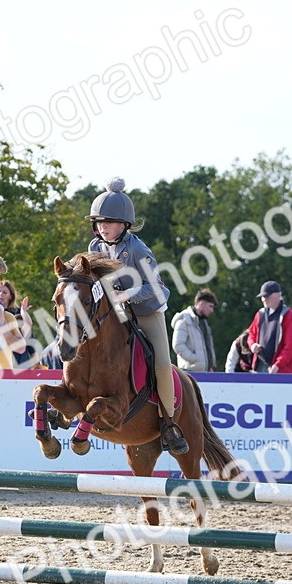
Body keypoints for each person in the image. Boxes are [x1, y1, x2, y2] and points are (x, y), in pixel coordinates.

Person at [86, 177, 187, 454]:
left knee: (162, 364)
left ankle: (169, 424)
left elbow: (155, 287)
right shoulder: (96, 248)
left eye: (108, 221)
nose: (102, 226)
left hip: (147, 310)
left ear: (124, 224)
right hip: (116, 313)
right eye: (99, 222)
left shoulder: (140, 250)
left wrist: (125, 296)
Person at [247, 280, 292, 374]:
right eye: (263, 297)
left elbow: (290, 346)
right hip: (260, 365)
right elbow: (251, 333)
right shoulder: (260, 314)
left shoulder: (289, 315)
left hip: (280, 369)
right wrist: (252, 345)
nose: (264, 299)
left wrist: (278, 364)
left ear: (279, 295)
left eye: (268, 296)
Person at [171, 289, 218, 372]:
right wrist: (195, 359)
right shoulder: (184, 320)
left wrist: (210, 365)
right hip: (189, 373)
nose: (212, 310)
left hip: (206, 372)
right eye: (210, 306)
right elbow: (178, 345)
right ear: (201, 304)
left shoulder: (204, 322)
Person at [0, 280, 36, 366]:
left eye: (4, 292)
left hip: (19, 356)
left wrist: (36, 360)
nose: (1, 294)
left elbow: (28, 334)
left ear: (10, 296)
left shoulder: (18, 312)